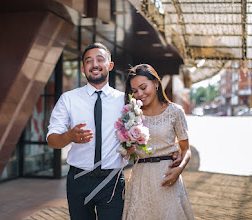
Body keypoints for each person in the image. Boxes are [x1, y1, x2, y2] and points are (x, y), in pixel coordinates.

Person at [47, 43, 181, 220]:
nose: (94, 64)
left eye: (100, 59)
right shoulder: (68, 99)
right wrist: (68, 136)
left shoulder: (126, 100)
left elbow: (152, 127)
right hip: (78, 179)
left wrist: (175, 149)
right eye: (89, 61)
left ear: (110, 66)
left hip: (113, 181)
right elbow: (52, 139)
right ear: (82, 68)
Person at [122, 64, 194, 220]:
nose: (139, 94)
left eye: (143, 87)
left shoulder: (175, 112)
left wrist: (179, 170)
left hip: (167, 176)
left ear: (156, 83)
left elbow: (186, 150)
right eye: (134, 91)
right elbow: (128, 149)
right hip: (140, 178)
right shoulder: (132, 114)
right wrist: (127, 147)